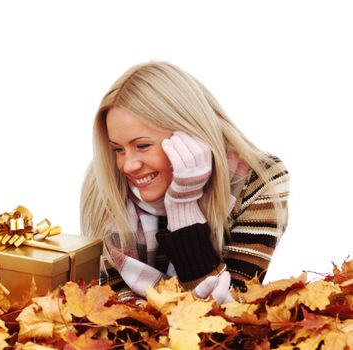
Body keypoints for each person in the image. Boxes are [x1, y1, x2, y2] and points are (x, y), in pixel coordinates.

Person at [80, 61, 289, 304]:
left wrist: (183, 209)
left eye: (143, 146)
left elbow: (233, 306)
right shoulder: (106, 182)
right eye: (118, 149)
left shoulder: (259, 180)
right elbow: (113, 307)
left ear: (190, 135)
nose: (128, 166)